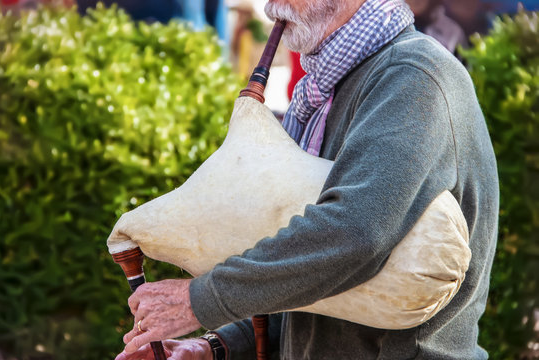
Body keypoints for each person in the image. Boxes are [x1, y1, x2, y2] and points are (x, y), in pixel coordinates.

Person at [115, 0, 499, 358]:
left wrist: (199, 300)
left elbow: (354, 234)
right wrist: (213, 347)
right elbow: (310, 287)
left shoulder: (412, 77)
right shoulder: (323, 92)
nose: (270, 8)